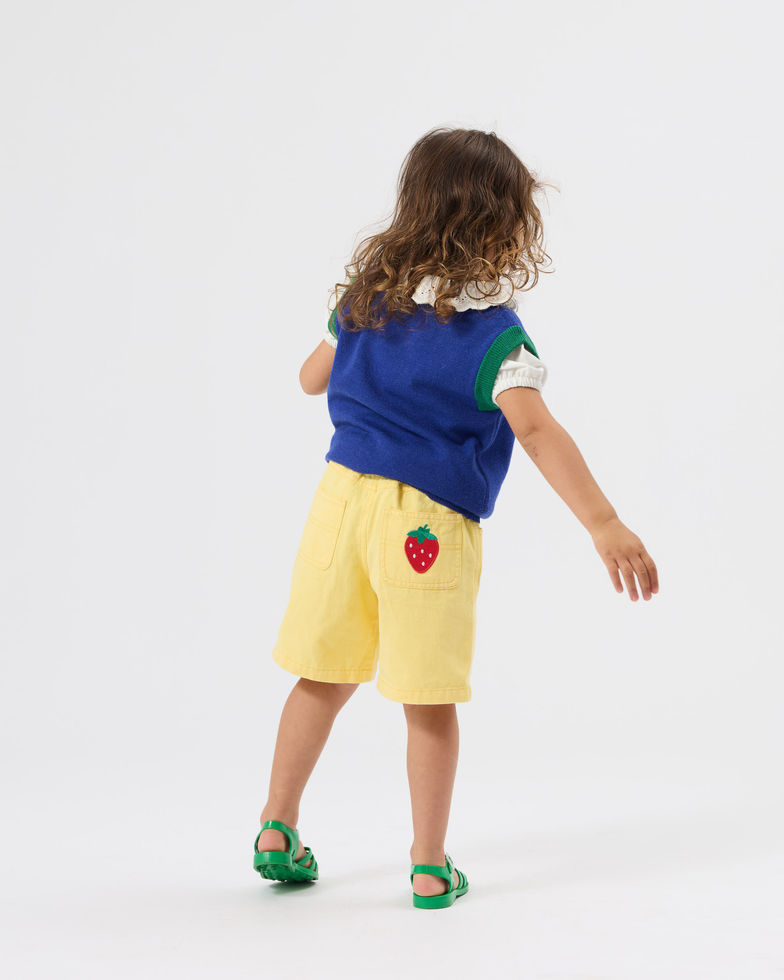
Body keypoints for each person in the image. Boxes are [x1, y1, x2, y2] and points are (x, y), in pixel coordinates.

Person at [252, 127, 659, 909]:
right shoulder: (492, 337)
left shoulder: (366, 300)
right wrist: (602, 521)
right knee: (426, 697)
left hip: (339, 505)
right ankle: (430, 863)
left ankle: (276, 823)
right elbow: (536, 430)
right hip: (426, 527)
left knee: (322, 675)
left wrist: (351, 338)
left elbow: (310, 380)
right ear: (502, 231)